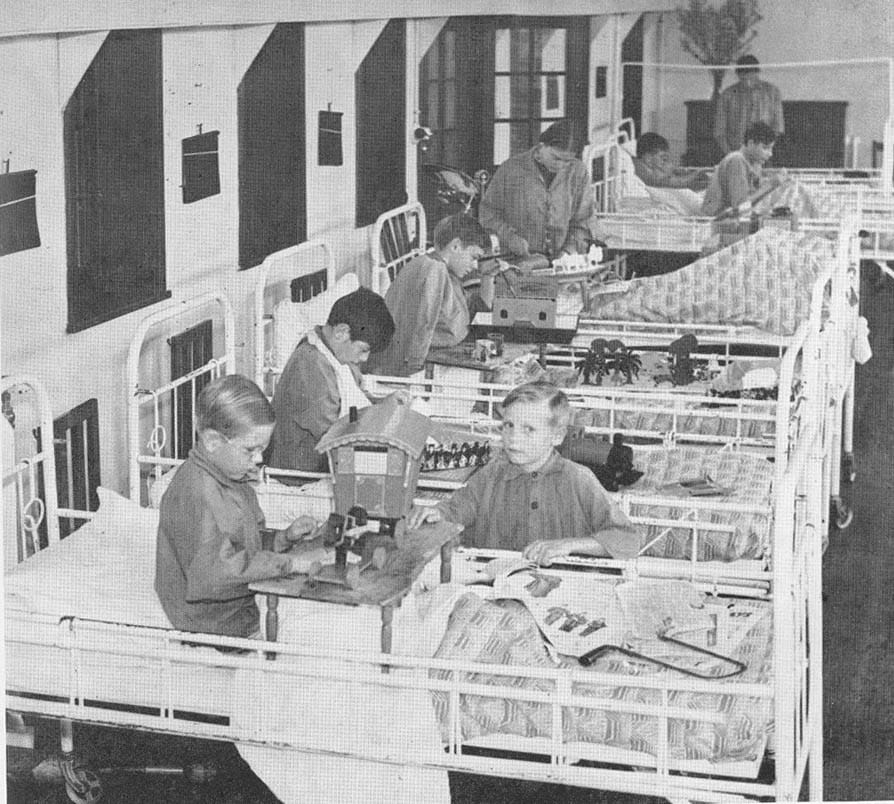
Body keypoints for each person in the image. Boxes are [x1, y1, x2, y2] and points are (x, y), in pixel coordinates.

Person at [155, 375, 319, 638]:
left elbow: (244, 544)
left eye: (263, 449)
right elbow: (214, 576)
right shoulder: (195, 493)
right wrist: (288, 564)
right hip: (209, 624)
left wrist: (282, 539)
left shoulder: (232, 476)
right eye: (250, 450)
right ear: (213, 442)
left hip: (239, 606)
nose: (259, 459)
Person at [407, 381, 640, 563]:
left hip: (562, 585)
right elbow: (458, 509)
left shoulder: (578, 479)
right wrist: (438, 513)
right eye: (508, 426)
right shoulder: (491, 474)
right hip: (494, 583)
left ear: (557, 436)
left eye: (528, 429)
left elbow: (627, 539)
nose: (514, 437)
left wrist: (568, 545)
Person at [268, 286, 396, 473]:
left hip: (329, 456)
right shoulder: (311, 366)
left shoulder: (335, 356)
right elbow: (335, 436)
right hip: (301, 473)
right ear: (341, 333)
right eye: (363, 350)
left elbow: (353, 404)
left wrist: (383, 405)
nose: (364, 359)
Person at [367, 213, 490, 377]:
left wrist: (489, 276)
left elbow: (468, 310)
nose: (475, 265)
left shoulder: (442, 270)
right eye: (473, 257)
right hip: (404, 367)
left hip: (423, 356)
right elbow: (423, 325)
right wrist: (416, 374)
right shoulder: (434, 270)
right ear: (455, 246)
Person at [479, 120, 593, 260]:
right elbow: (488, 214)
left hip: (562, 261)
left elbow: (583, 221)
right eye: (556, 158)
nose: (561, 166)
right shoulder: (511, 170)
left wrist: (568, 252)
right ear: (542, 146)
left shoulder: (578, 172)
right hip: (518, 260)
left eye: (567, 161)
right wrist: (509, 237)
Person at [701, 122, 782, 216]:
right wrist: (770, 185)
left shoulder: (756, 164)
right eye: (765, 148)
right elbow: (740, 206)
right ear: (751, 143)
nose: (770, 154)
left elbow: (751, 202)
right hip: (717, 221)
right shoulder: (736, 160)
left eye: (771, 149)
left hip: (733, 221)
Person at [714, 55, 784, 155]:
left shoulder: (772, 92)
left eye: (752, 78)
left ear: (757, 73)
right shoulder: (727, 95)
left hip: (764, 156)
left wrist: (765, 150)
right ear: (738, 75)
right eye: (744, 79)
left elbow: (778, 128)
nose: (748, 83)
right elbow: (719, 132)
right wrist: (732, 155)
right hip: (735, 152)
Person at [633, 132, 710, 190]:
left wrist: (678, 172)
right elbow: (666, 181)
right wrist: (694, 175)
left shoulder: (648, 167)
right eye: (663, 159)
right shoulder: (640, 168)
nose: (664, 162)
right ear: (648, 159)